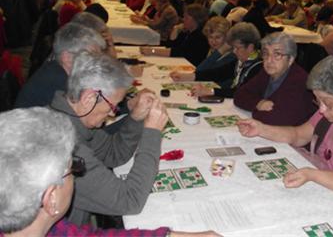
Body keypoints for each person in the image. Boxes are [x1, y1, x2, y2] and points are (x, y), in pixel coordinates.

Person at [0, 107, 220, 237]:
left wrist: (171, 235)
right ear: (51, 198)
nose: (77, 174)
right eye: (73, 168)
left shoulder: (48, 227)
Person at [237, 56, 333, 193]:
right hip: (324, 187)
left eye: (327, 103)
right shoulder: (328, 114)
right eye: (318, 101)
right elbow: (298, 135)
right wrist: (261, 129)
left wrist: (312, 175)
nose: (321, 109)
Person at [47, 51, 167, 225]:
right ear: (89, 98)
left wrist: (135, 118)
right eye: (113, 105)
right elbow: (129, 201)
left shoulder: (71, 117)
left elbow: (113, 153)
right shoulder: (64, 144)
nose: (112, 113)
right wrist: (152, 134)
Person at [15, 22, 106, 108]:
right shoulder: (59, 85)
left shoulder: (59, 69)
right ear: (67, 58)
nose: (97, 62)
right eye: (91, 56)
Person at [234, 32, 315, 126]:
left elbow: (275, 120)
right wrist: (259, 103)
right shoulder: (266, 73)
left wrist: (254, 107)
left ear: (290, 59)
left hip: (290, 138)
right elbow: (239, 95)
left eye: (277, 54)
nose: (269, 60)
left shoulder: (300, 82)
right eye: (266, 53)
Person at [174, 22, 262, 98]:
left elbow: (241, 93)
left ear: (250, 47)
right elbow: (218, 73)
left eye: (237, 48)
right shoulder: (241, 61)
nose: (234, 51)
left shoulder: (258, 67)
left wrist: (211, 91)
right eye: (233, 47)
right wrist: (190, 76)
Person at [170, 16, 236, 88]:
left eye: (218, 37)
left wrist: (221, 51)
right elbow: (200, 72)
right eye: (210, 37)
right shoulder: (213, 50)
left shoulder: (231, 55)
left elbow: (201, 71)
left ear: (227, 37)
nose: (213, 41)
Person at [140, 3, 210, 66]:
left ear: (196, 20)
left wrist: (152, 51)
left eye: (186, 18)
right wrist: (175, 31)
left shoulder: (200, 36)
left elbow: (177, 52)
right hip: (180, 62)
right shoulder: (187, 31)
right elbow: (170, 45)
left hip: (190, 67)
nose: (183, 19)